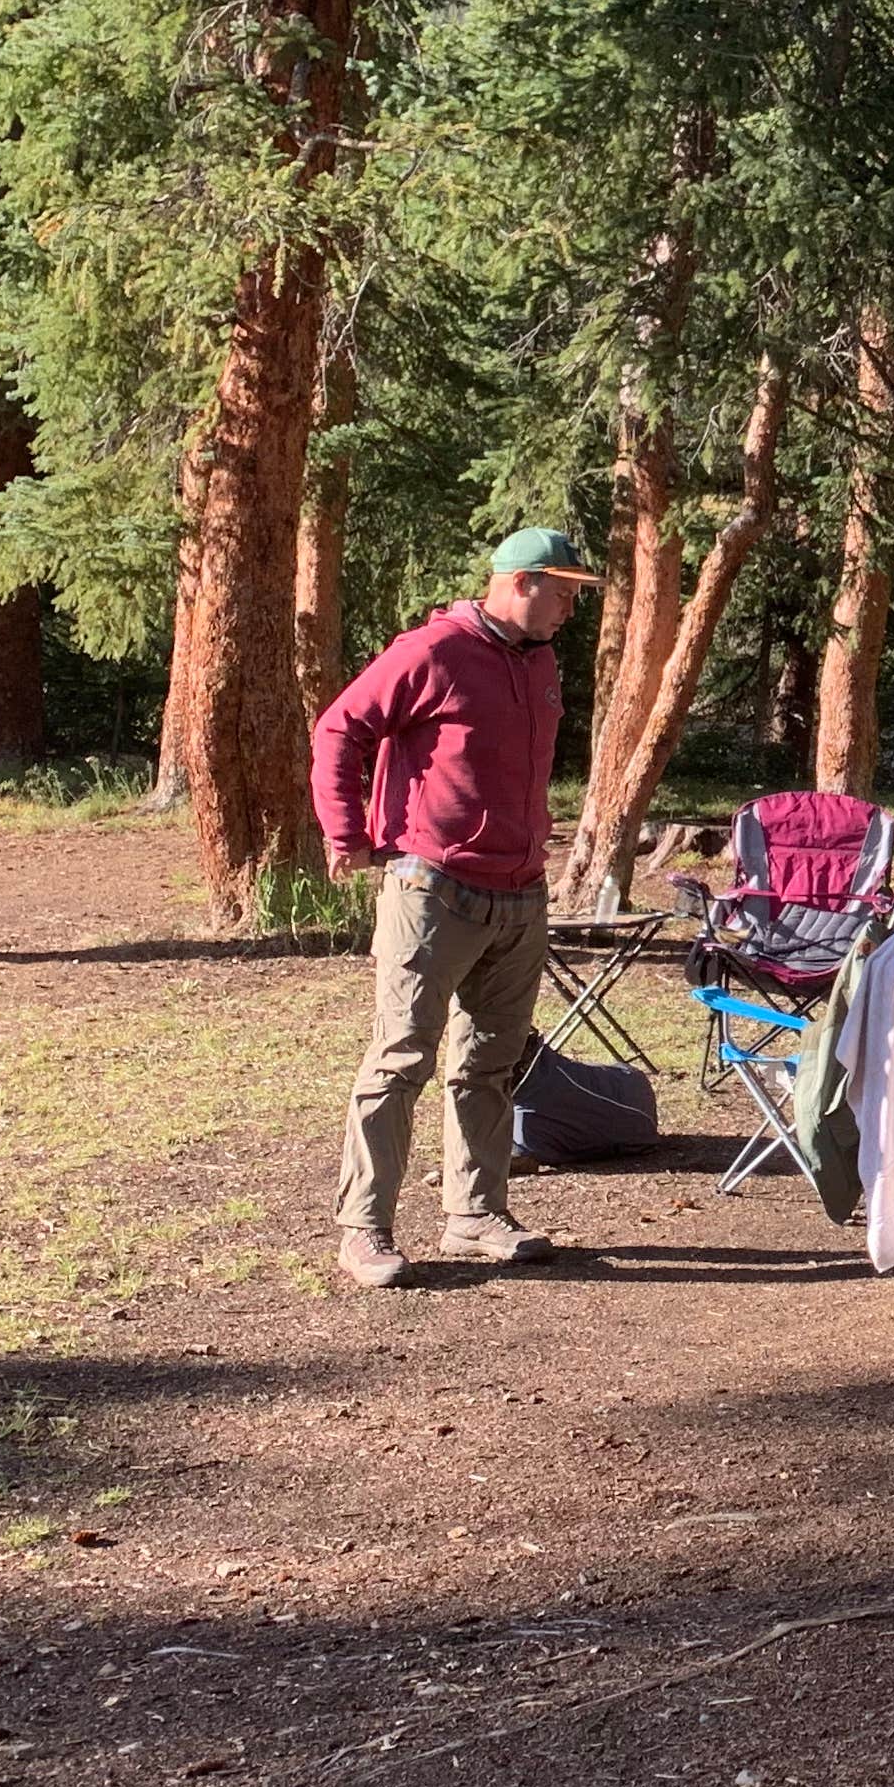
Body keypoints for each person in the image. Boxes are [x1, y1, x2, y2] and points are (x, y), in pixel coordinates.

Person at [310, 525, 602, 1289]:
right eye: (565, 593)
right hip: (432, 888)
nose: (571, 609)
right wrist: (346, 832)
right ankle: (364, 1230)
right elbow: (340, 726)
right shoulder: (433, 651)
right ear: (523, 581)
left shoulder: (540, 662)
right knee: (401, 1057)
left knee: (491, 1063)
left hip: (520, 893)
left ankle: (475, 1213)